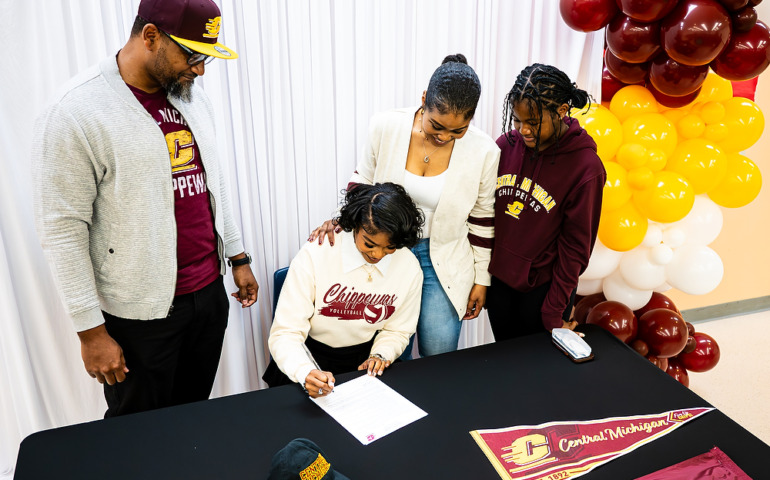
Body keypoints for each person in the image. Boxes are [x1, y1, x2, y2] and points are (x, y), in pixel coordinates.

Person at [31, 0, 258, 417]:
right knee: (137, 433)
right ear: (150, 36)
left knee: (191, 418)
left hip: (207, 295)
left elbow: (214, 183)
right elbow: (63, 229)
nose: (200, 69)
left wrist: (237, 256)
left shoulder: (190, 98)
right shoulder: (75, 112)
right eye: (191, 55)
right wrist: (90, 332)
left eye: (204, 56)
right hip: (141, 316)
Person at [308, 54, 500, 358]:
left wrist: (481, 279)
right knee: (389, 350)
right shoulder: (386, 126)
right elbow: (363, 181)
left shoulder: (485, 151)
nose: (443, 137)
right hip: (388, 251)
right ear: (424, 99)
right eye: (436, 125)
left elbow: (482, 218)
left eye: (457, 131)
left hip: (444, 260)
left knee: (439, 352)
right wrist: (341, 220)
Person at [265, 183, 423, 397]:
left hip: (364, 366)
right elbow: (286, 333)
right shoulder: (316, 253)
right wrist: (304, 371)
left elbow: (398, 330)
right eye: (369, 244)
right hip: (306, 356)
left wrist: (380, 354)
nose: (377, 255)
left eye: (389, 248)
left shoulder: (409, 267)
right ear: (355, 225)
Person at [486, 63, 606, 340]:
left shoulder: (585, 168)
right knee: (506, 366)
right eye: (517, 120)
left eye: (534, 122)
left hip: (545, 294)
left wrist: (553, 312)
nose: (523, 130)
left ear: (562, 111)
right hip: (501, 285)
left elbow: (576, 248)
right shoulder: (506, 146)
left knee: (539, 377)